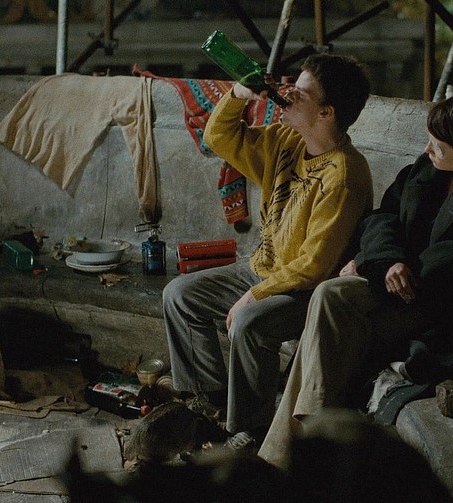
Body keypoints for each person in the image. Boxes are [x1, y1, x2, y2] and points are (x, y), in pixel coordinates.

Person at [258, 93, 453, 468]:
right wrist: (385, 262)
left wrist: (385, 268)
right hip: (391, 281)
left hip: (436, 306)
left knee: (331, 310)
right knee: (328, 303)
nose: (428, 149)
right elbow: (381, 218)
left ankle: (292, 448)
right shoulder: (427, 170)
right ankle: (304, 437)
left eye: (438, 145)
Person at [163, 53, 373, 452]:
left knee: (249, 323)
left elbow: (314, 266)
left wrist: (254, 295)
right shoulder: (286, 141)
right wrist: (239, 96)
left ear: (326, 112)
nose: (287, 93)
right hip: (265, 269)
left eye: (302, 92)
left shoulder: (344, 174)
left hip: (308, 292)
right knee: (180, 295)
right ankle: (208, 401)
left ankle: (248, 429)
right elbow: (218, 138)